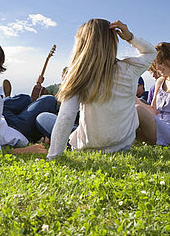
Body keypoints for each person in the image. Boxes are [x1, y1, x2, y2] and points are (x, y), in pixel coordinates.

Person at [32, 19, 156, 160]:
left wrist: (53, 156)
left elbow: (66, 116)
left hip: (89, 146)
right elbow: (151, 53)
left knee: (43, 117)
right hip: (122, 145)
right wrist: (129, 37)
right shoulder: (129, 68)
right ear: (113, 41)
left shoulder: (78, 75)